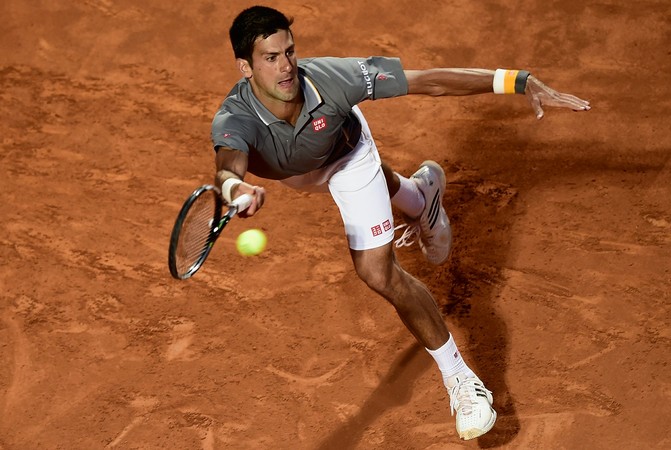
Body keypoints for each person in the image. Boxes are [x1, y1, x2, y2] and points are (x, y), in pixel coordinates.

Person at [210, 5, 590, 441]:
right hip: (298, 174)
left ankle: (462, 381)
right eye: (271, 57)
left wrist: (517, 80)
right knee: (376, 198)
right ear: (245, 67)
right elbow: (228, 165)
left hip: (347, 156)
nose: (287, 66)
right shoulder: (234, 117)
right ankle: (420, 195)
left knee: (375, 270)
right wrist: (235, 190)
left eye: (290, 52)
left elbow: (427, 81)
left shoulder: (333, 78)